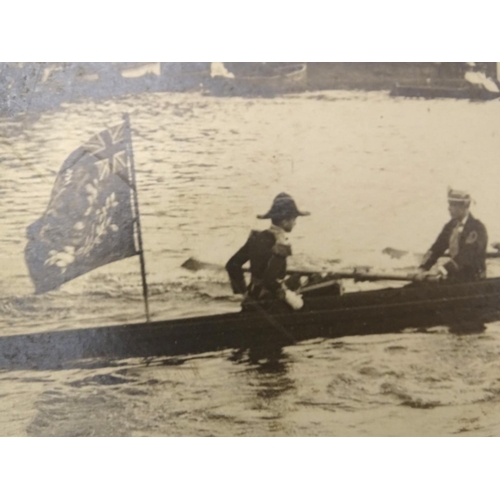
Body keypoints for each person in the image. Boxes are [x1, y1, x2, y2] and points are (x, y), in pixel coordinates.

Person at [226, 192, 310, 312]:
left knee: (297, 279)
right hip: (268, 305)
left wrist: (244, 294)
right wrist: (289, 295)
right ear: (284, 221)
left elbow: (232, 265)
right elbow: (269, 281)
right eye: (294, 219)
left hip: (252, 298)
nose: (295, 223)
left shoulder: (256, 237)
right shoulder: (281, 244)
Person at [416, 188, 487, 282]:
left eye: (453, 205)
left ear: (464, 206)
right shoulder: (450, 226)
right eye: (449, 204)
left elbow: (466, 256)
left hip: (473, 280)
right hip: (455, 277)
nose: (449, 208)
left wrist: (442, 270)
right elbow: (436, 248)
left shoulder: (477, 228)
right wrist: (423, 268)